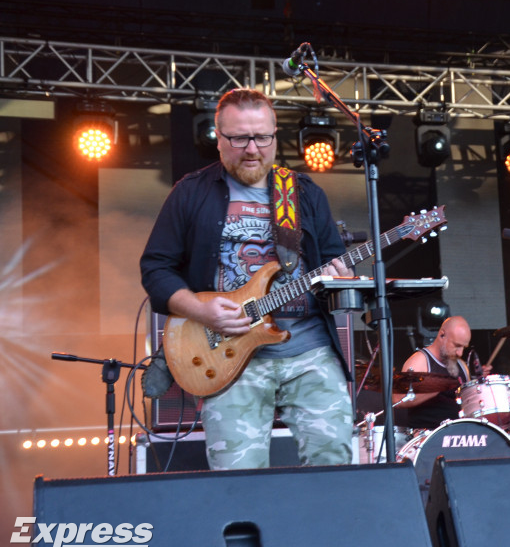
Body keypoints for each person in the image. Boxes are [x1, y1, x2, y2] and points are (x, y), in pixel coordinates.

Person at [140, 88, 355, 469]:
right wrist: (201, 311)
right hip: (228, 356)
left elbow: (334, 262)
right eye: (239, 138)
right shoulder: (191, 192)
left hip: (309, 351)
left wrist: (342, 278)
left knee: (334, 464)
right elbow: (156, 268)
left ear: (275, 135)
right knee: (238, 479)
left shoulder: (303, 192)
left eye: (262, 138)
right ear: (219, 139)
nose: (252, 149)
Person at [397, 315, 479, 429]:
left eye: (463, 347)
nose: (460, 353)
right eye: (457, 346)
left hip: (460, 434)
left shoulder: (462, 365)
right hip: (428, 434)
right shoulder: (420, 361)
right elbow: (398, 398)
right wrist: (437, 387)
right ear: (442, 335)